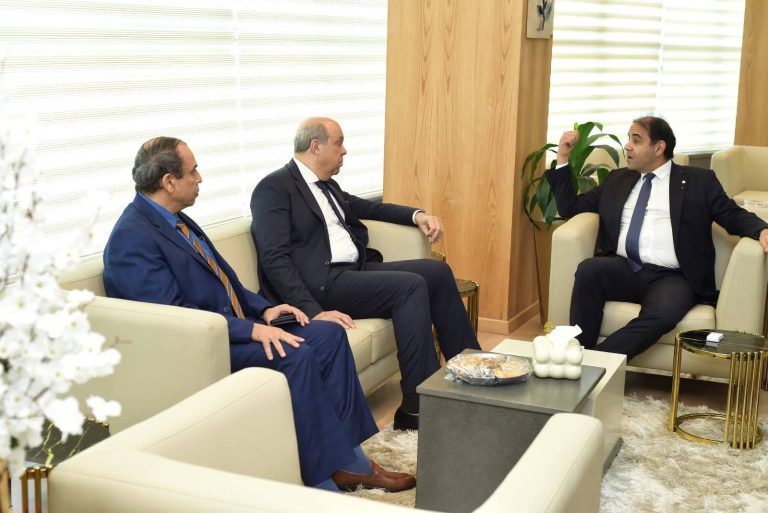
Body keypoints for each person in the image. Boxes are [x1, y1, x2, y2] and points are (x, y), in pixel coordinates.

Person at [102, 136, 416, 493]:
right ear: (169, 181)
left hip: (232, 327)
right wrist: (251, 331)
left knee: (328, 335)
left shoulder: (178, 220)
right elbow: (177, 320)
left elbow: (228, 285)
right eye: (193, 171)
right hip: (202, 350)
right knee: (295, 353)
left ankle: (350, 461)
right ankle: (320, 480)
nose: (200, 178)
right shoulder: (132, 238)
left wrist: (265, 308)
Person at [250, 117, 480, 431]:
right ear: (316, 147)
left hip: (353, 272)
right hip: (321, 285)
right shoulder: (274, 188)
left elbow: (372, 209)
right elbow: (274, 258)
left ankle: (472, 373)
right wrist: (313, 311)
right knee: (410, 286)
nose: (344, 151)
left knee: (437, 272)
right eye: (339, 143)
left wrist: (418, 215)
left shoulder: (327, 186)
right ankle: (417, 406)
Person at [547, 116, 768, 358]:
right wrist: (563, 157)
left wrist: (761, 229)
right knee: (589, 270)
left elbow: (731, 214)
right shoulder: (617, 179)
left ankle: (594, 361)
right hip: (624, 268)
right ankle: (578, 349)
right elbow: (570, 208)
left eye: (636, 140)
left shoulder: (699, 181)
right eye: (628, 139)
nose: (627, 146)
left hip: (672, 276)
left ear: (659, 147)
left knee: (663, 314)